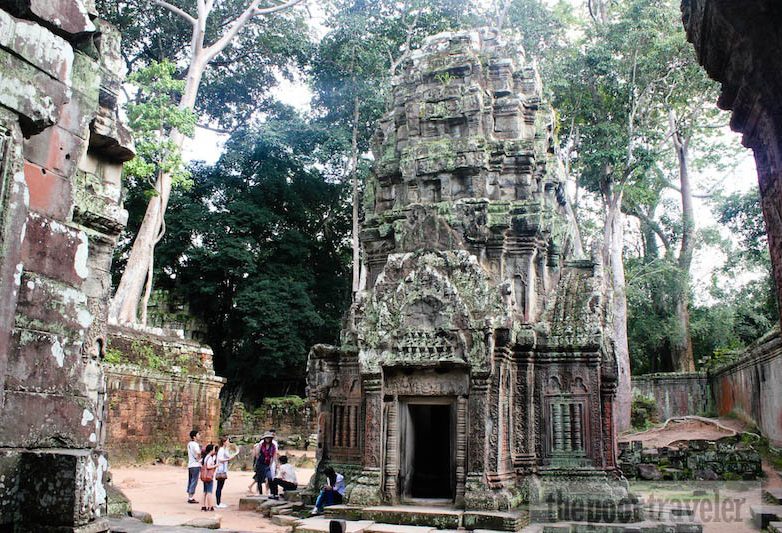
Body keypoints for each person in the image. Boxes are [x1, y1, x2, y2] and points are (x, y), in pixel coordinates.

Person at [215, 436, 234, 508]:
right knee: (219, 487)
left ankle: (219, 502)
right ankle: (218, 503)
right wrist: (228, 459)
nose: (228, 442)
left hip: (223, 469)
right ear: (224, 442)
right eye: (227, 441)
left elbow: (228, 455)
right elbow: (220, 459)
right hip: (220, 470)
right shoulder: (221, 450)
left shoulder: (224, 449)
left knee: (220, 486)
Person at [200, 443, 217, 512]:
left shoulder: (205, 457)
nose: (214, 450)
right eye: (213, 449)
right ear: (211, 450)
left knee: (205, 491)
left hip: (204, 476)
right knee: (209, 492)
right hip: (209, 476)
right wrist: (215, 465)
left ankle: (203, 506)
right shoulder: (209, 457)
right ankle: (210, 506)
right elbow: (208, 466)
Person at [186, 429, 201, 504]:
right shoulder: (195, 444)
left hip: (190, 464)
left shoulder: (189, 444)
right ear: (194, 437)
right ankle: (191, 497)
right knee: (194, 480)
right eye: (198, 435)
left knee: (190, 480)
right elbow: (198, 453)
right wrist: (199, 459)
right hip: (195, 465)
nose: (199, 436)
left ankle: (189, 495)